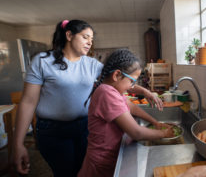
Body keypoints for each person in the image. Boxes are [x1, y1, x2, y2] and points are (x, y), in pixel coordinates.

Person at [13, 20, 163, 177]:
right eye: (85, 37)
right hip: (53, 131)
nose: (89, 42)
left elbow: (117, 79)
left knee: (84, 170)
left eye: (91, 39)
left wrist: (145, 91)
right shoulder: (43, 61)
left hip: (84, 128)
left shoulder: (91, 64)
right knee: (66, 173)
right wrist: (18, 144)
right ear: (69, 35)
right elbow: (28, 102)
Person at [78, 49, 174, 177]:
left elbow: (131, 107)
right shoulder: (106, 93)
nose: (131, 86)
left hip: (110, 157)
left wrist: (154, 122)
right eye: (131, 81)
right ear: (117, 75)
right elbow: (136, 132)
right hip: (101, 162)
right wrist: (163, 133)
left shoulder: (113, 90)